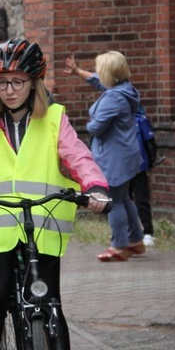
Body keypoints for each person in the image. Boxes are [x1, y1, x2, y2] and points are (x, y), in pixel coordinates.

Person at [0, 38, 109, 350]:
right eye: (2, 82)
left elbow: (77, 156)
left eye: (18, 82)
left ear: (34, 83)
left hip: (43, 225)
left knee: (51, 303)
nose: (9, 90)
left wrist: (94, 186)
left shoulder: (54, 119)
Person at [64, 52, 145, 261]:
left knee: (114, 201)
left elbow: (96, 128)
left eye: (100, 69)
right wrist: (77, 71)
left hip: (114, 159)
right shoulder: (125, 89)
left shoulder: (113, 98)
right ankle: (136, 241)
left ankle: (119, 246)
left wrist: (88, 123)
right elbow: (99, 82)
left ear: (109, 73)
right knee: (125, 198)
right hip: (126, 154)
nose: (98, 73)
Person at [131, 107, 157, 246]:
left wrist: (150, 163)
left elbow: (150, 143)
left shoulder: (140, 120)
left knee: (141, 200)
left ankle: (147, 232)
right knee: (124, 201)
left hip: (139, 168)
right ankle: (127, 232)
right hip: (122, 168)